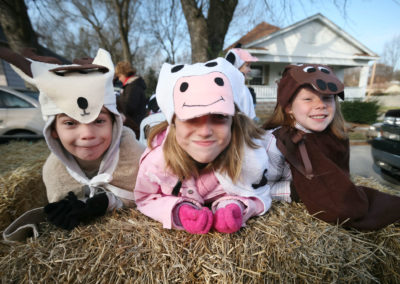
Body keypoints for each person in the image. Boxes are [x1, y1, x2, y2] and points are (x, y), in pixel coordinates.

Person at [0, 48, 145, 234]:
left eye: (99, 121)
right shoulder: (54, 171)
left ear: (115, 123)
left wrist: (108, 202)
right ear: (53, 130)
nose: (87, 134)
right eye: (70, 123)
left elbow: (150, 196)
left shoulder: (136, 157)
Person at [134, 58, 272, 234]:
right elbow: (144, 197)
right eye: (191, 119)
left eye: (219, 117)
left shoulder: (249, 157)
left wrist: (236, 206)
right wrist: (178, 209)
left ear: (233, 122)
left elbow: (261, 192)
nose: (205, 131)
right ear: (173, 122)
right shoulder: (156, 162)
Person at [263, 63, 400, 231]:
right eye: (308, 98)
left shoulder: (335, 136)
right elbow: (260, 186)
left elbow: (339, 177)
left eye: (327, 98)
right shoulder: (277, 143)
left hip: (334, 193)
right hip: (299, 198)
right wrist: (295, 191)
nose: (320, 104)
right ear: (289, 107)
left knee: (378, 204)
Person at [115, 61, 147, 138]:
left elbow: (128, 107)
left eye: (119, 76)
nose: (119, 79)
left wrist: (116, 100)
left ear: (124, 73)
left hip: (135, 126)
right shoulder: (131, 86)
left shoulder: (132, 87)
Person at [225, 45, 258, 120]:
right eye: (247, 66)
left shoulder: (223, 86)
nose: (250, 70)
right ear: (237, 66)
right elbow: (247, 119)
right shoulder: (241, 90)